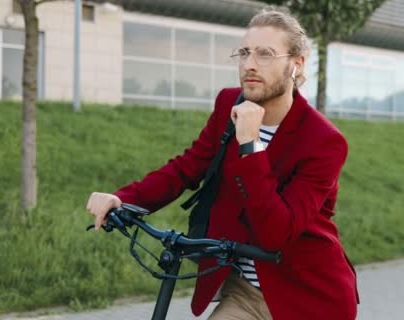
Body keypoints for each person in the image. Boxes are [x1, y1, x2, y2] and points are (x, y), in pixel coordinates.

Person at [86, 8, 358, 320]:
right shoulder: (229, 104)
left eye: (265, 54)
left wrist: (251, 145)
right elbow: (188, 167)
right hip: (244, 293)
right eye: (244, 53)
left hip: (307, 297)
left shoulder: (323, 140)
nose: (250, 64)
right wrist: (124, 199)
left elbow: (276, 232)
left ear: (297, 64)